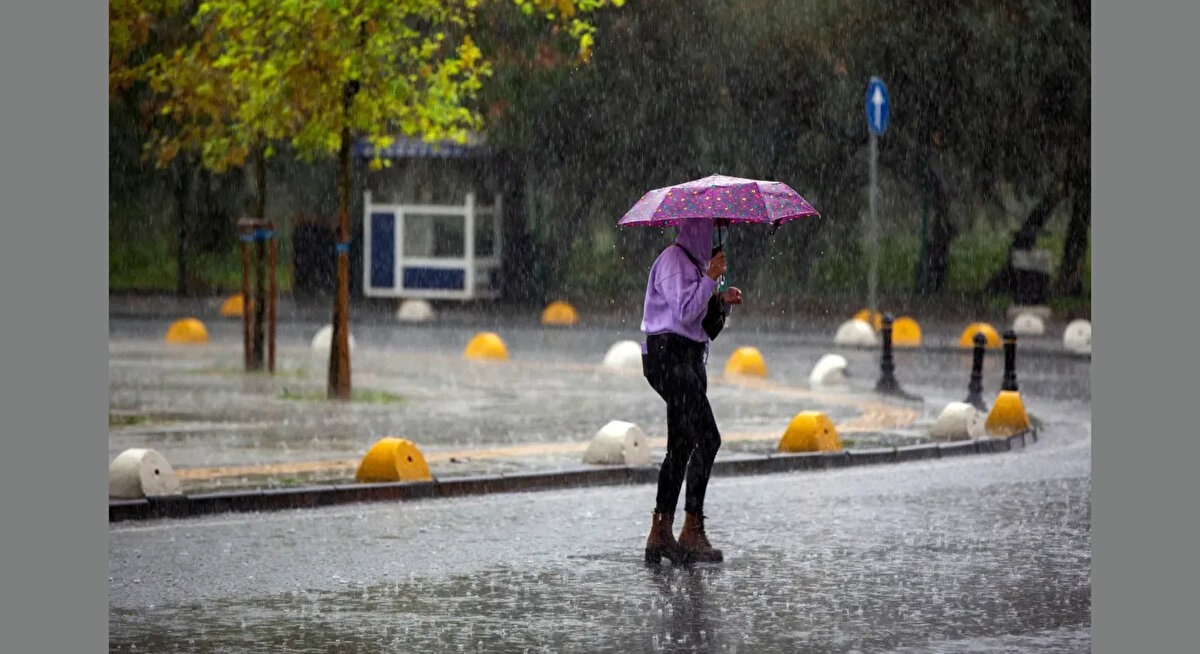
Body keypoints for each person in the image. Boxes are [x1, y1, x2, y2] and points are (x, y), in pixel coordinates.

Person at [641, 217, 743, 566]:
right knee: (708, 438)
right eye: (716, 229)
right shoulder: (672, 261)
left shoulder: (700, 268)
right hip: (668, 357)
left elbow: (706, 326)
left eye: (723, 230)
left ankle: (661, 532)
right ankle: (690, 529)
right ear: (699, 229)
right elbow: (684, 313)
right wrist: (710, 280)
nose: (720, 238)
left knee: (683, 443)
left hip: (690, 360)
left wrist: (721, 303)